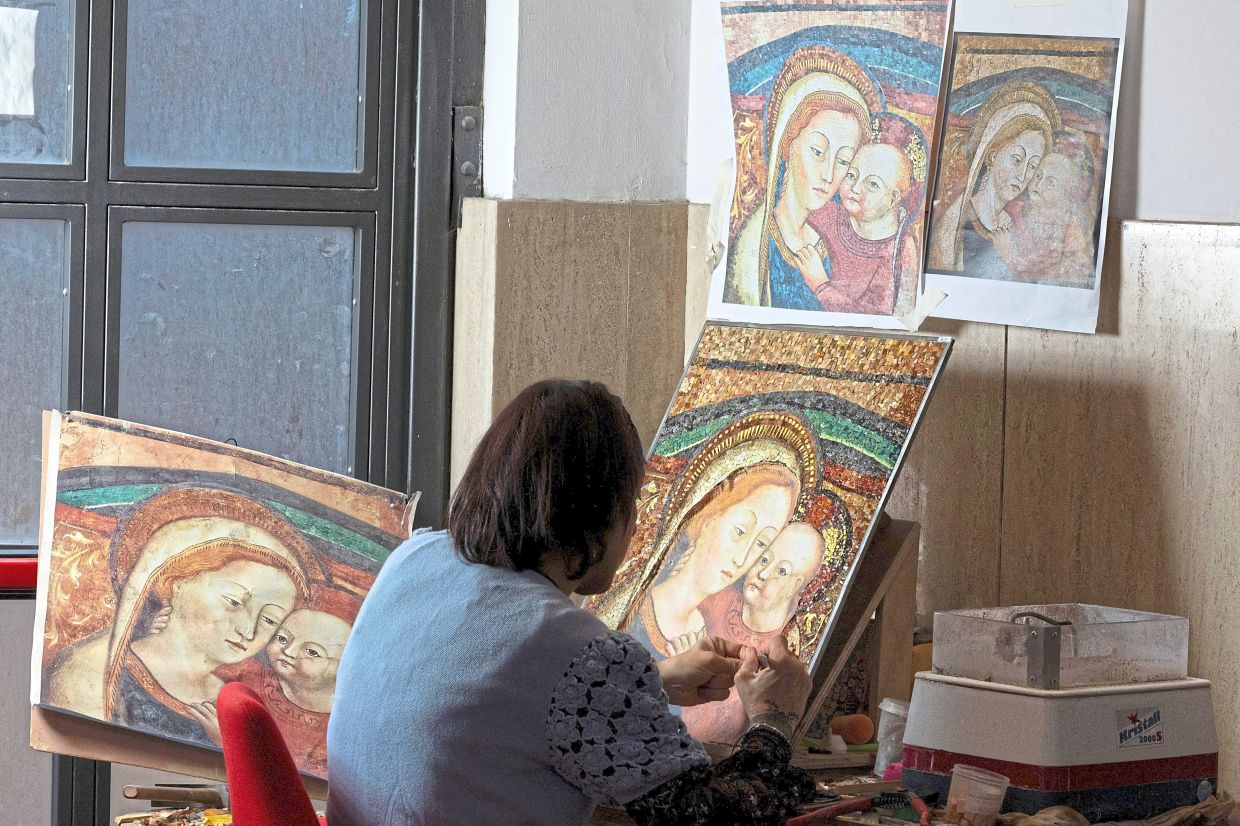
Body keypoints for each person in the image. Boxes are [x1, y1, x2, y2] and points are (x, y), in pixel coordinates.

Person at [327, 380, 818, 825]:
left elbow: (489, 695)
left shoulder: (414, 558)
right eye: (633, 505)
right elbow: (712, 820)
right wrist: (774, 719)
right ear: (600, 510)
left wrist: (650, 683)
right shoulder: (576, 650)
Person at [44, 487, 319, 746]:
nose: (248, 631)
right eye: (234, 601)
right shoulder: (92, 672)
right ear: (176, 582)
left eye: (270, 620)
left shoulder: (232, 697)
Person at [725, 45, 883, 310]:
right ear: (788, 144)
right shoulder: (753, 244)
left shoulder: (853, 238)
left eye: (844, 160)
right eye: (818, 151)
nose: (829, 174)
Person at [191, 583, 361, 777]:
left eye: (312, 652)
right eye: (282, 638)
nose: (288, 651)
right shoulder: (246, 675)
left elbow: (289, 783)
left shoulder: (345, 729)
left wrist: (231, 744)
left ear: (343, 667)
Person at [633, 463, 799, 655]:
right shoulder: (637, 606)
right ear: (708, 517)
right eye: (740, 531)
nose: (741, 558)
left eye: (761, 544)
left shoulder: (709, 639)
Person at [683, 522, 827, 742]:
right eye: (764, 559)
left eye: (781, 571)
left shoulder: (788, 650)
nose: (763, 572)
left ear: (795, 585)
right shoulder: (716, 600)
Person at [928, 81, 1061, 279]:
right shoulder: (955, 222)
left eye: (1032, 166)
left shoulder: (1013, 224)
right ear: (992, 154)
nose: (1022, 176)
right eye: (1017, 159)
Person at [809, 113, 927, 315]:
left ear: (893, 199)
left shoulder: (900, 248)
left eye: (872, 184)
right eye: (851, 175)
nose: (854, 187)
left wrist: (821, 286)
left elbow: (877, 316)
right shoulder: (828, 214)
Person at [992, 130, 1097, 286]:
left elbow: (1071, 275)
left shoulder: (1070, 226)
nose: (1038, 185)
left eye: (1051, 182)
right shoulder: (1013, 208)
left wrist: (1008, 254)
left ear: (1066, 193)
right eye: (1038, 175)